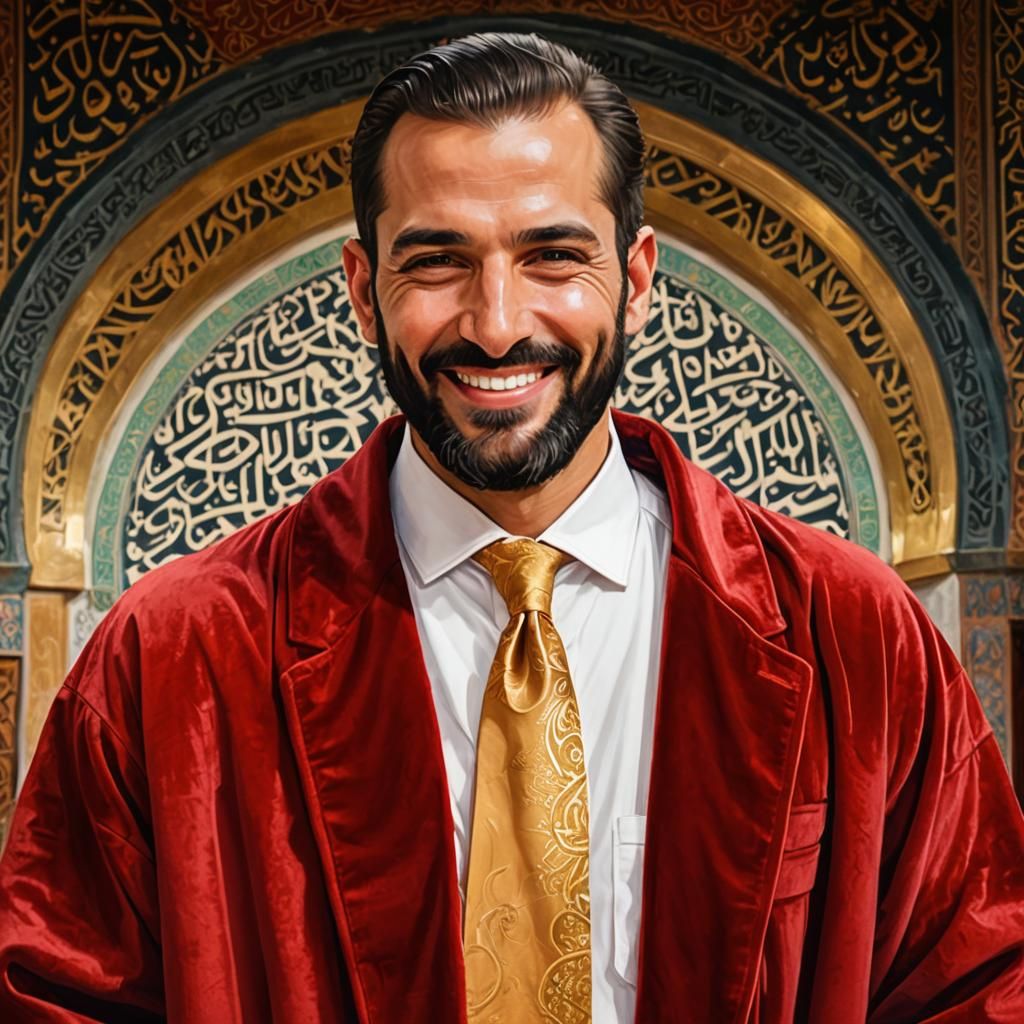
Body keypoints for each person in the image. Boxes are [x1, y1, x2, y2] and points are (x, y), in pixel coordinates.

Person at [1, 30, 1023, 1024]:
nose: (496, 323)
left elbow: (975, 986)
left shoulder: (852, 637)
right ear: (364, 291)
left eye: (551, 256)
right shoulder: (172, 658)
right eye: (438, 261)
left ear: (634, 278)